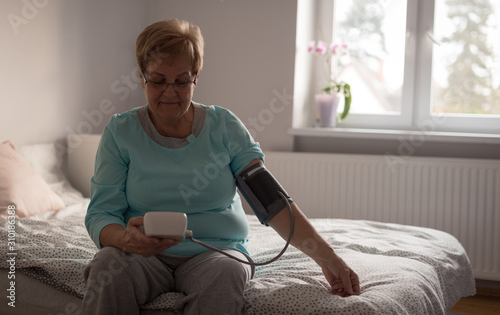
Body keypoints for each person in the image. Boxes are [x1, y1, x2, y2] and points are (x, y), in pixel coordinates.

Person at [82, 18, 360, 315]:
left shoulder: (224, 126)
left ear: (196, 77)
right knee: (106, 267)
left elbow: (272, 202)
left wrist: (328, 258)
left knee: (225, 274)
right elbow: (101, 214)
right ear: (141, 76)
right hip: (142, 257)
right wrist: (126, 239)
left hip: (215, 253)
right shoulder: (120, 132)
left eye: (182, 81)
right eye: (158, 80)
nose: (170, 92)